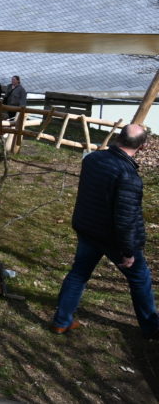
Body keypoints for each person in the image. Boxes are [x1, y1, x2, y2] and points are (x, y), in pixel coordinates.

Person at [50, 124, 158, 338]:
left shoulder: (92, 159)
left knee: (79, 273)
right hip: (112, 238)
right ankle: (151, 328)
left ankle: (61, 322)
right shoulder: (128, 176)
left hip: (88, 228)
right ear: (143, 147)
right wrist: (128, 251)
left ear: (118, 137)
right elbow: (126, 219)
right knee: (140, 278)